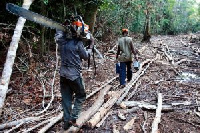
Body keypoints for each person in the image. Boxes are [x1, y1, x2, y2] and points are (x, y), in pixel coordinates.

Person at [55, 18, 93, 130]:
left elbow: (58, 33)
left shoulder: (62, 41)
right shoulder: (78, 43)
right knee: (81, 95)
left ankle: (66, 122)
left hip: (63, 74)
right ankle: (73, 117)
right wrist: (91, 46)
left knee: (66, 99)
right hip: (74, 75)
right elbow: (86, 56)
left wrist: (63, 25)